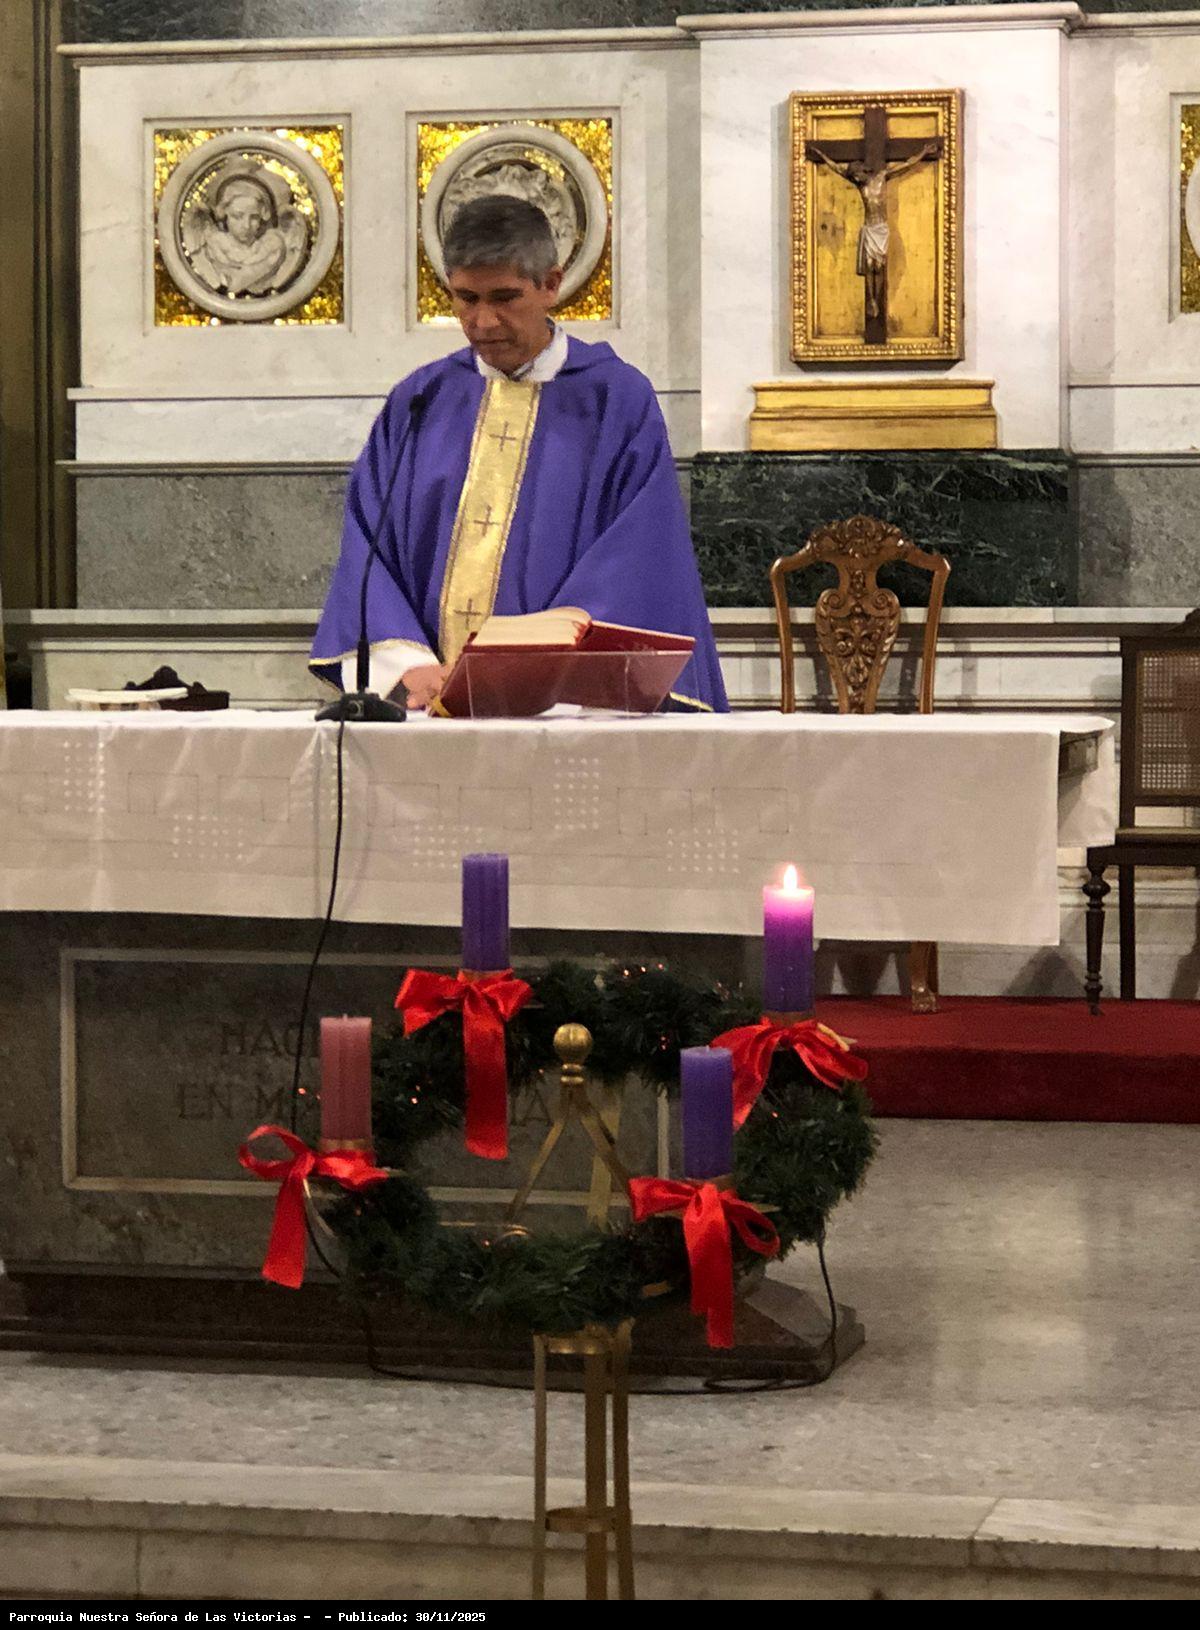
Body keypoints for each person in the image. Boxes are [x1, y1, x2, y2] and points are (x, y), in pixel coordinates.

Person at [310, 194, 727, 713]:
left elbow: (638, 559)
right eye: (465, 298)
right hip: (427, 712)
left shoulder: (616, 402)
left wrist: (531, 671)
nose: (482, 321)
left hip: (566, 714)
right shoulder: (419, 402)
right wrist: (409, 667)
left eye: (504, 297)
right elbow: (368, 550)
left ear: (551, 285)